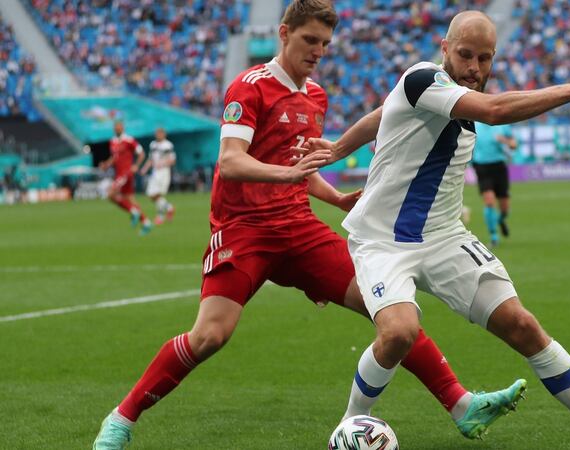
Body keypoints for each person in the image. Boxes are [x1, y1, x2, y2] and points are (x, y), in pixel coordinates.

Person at [92, 3, 522, 449]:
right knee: (210, 336)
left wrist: (334, 196)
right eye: (309, 41)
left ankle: (461, 403)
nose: (318, 51)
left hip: (299, 227)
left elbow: (300, 164)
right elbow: (232, 161)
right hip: (244, 229)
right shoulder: (249, 87)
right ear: (284, 33)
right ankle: (121, 419)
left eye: (325, 44)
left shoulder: (315, 95)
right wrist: (287, 175)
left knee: (391, 312)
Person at [299, 10, 570, 450]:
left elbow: (380, 113)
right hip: (382, 240)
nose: (474, 68)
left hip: (446, 238)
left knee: (522, 325)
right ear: (445, 49)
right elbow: (495, 110)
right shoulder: (423, 79)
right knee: (398, 333)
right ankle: (351, 425)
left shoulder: (445, 94)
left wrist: (337, 147)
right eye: (465, 55)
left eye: (484, 59)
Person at [98, 120, 153, 235]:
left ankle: (133, 212)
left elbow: (141, 153)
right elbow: (115, 157)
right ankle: (146, 222)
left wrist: (136, 166)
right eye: (116, 127)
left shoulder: (129, 140)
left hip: (126, 173)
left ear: (123, 128)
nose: (117, 128)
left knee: (110, 194)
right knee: (129, 198)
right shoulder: (112, 141)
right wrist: (106, 164)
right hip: (119, 173)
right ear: (114, 128)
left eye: (119, 127)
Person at [472, 121, 517, 247]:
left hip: (499, 166)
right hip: (481, 166)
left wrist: (505, 141)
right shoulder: (474, 125)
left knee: (504, 208)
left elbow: (514, 145)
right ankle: (493, 236)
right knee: (489, 201)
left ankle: (500, 220)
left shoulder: (502, 125)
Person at [139, 127, 176, 225]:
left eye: (160, 133)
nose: (158, 135)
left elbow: (172, 160)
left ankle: (160, 216)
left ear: (164, 134)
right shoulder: (153, 144)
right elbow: (150, 159)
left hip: (163, 172)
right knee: (152, 194)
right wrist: (144, 169)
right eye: (157, 133)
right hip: (155, 172)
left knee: (155, 194)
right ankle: (168, 208)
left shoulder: (167, 145)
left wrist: (162, 164)